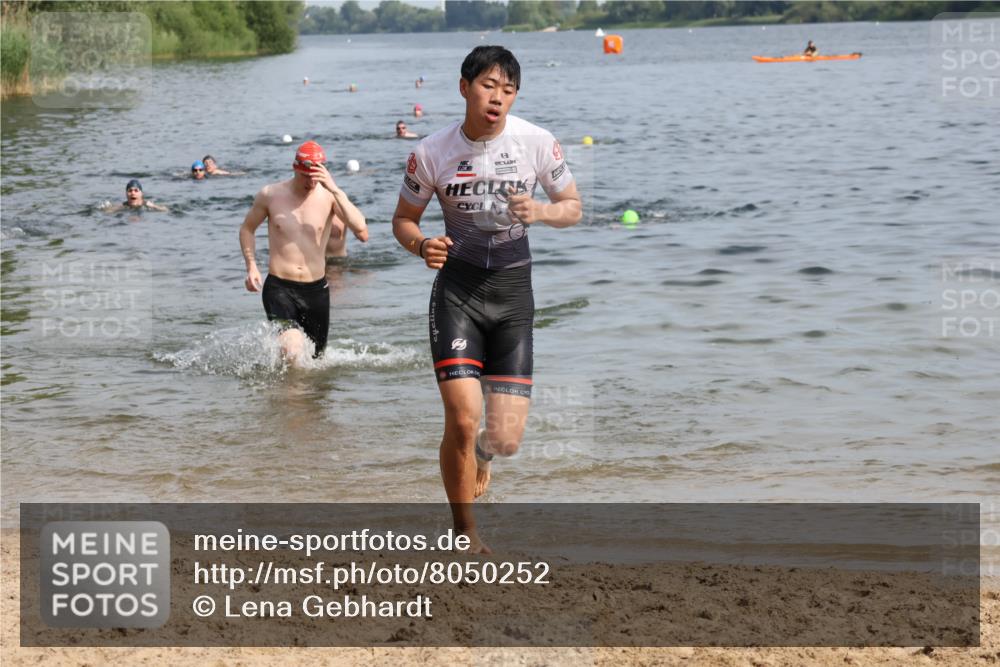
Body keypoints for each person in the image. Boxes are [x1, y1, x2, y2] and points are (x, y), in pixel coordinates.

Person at [391, 45, 582, 553]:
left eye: (508, 90)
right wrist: (421, 244)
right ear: (464, 87)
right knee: (461, 415)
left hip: (514, 295)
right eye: (488, 86)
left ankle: (484, 455)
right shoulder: (431, 152)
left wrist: (540, 212)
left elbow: (574, 208)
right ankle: (465, 531)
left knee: (503, 439)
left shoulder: (537, 143)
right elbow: (402, 220)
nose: (498, 98)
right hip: (458, 291)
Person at [239, 141, 368, 364]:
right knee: (292, 348)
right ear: (295, 168)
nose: (310, 182)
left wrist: (334, 188)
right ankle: (291, 398)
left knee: (316, 362)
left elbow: (361, 230)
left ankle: (301, 397)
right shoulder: (270, 194)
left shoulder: (329, 197)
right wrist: (251, 265)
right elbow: (247, 229)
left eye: (315, 176)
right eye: (305, 176)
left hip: (316, 290)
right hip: (279, 287)